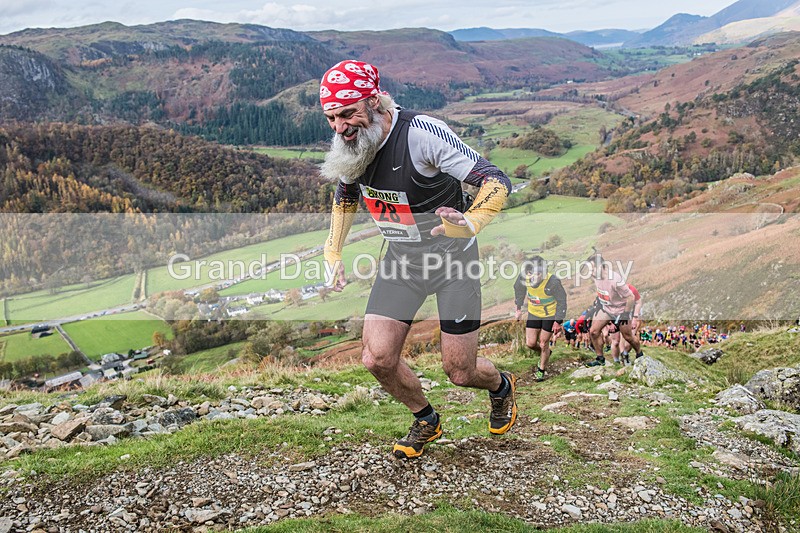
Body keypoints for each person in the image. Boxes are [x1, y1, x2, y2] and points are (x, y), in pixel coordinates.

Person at [319, 60, 516, 459]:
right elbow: (346, 193)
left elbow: (497, 181)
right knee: (376, 358)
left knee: (460, 371)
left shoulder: (422, 134)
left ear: (374, 100)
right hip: (401, 262)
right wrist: (333, 249)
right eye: (331, 118)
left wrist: (471, 222)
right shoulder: (352, 141)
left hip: (453, 260)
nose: (340, 127)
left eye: (347, 113)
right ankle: (425, 418)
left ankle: (500, 387)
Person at [513, 256, 567, 382]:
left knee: (543, 343)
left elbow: (562, 301)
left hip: (549, 315)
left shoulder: (553, 282)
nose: (537, 276)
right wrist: (518, 309)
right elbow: (519, 290)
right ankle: (547, 353)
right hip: (534, 313)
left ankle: (541, 370)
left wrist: (558, 321)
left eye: (540, 273)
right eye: (533, 273)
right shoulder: (523, 277)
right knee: (530, 343)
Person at [584, 254, 644, 367]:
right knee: (593, 332)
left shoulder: (615, 279)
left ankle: (639, 353)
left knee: (628, 337)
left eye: (592, 269)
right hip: (607, 309)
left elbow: (631, 297)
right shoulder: (595, 275)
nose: (590, 272)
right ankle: (600, 358)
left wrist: (625, 314)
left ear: (601, 266)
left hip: (621, 310)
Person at [611, 284, 642, 365]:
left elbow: (638, 304)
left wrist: (635, 320)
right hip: (616, 316)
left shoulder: (632, 290)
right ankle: (619, 359)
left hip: (630, 316)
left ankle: (630, 353)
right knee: (616, 340)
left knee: (629, 338)